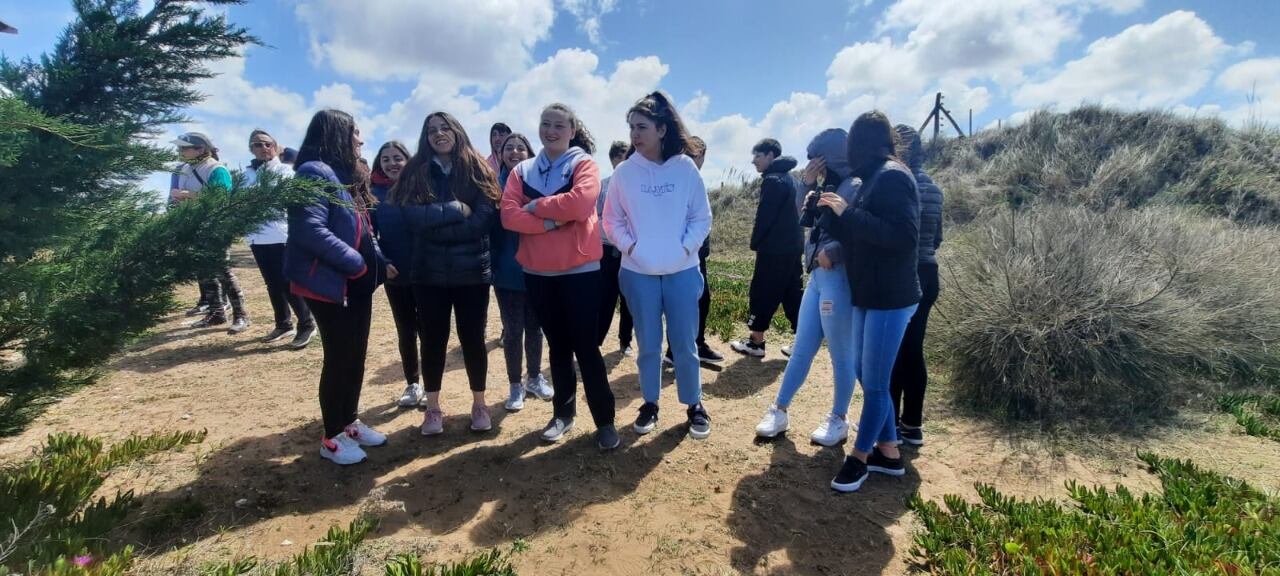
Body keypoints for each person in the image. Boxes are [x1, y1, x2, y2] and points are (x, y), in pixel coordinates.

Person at [501, 102, 618, 450]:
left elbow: (581, 205)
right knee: (558, 347)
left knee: (586, 347)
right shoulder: (522, 170)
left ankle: (605, 421)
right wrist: (555, 220)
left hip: (580, 271)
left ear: (572, 130)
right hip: (538, 272)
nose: (550, 130)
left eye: (558, 125)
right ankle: (563, 415)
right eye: (545, 123)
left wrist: (535, 207)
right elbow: (508, 216)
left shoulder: (584, 164)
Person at [603, 91, 714, 440]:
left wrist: (685, 247)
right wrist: (631, 246)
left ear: (662, 129)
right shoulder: (624, 173)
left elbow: (702, 216)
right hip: (638, 272)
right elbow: (611, 220)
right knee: (648, 343)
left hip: (682, 270)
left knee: (684, 343)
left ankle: (694, 403)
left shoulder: (684, 169)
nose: (635, 134)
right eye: (632, 127)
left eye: (642, 127)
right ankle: (650, 402)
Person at [821, 111, 921, 493]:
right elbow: (859, 231)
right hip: (871, 293)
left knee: (876, 384)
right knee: (868, 376)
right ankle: (890, 453)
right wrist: (832, 215)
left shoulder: (893, 177)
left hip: (889, 297)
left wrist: (849, 213)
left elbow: (903, 237)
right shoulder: (874, 176)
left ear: (860, 143)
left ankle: (860, 459)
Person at [284, 109, 390, 466]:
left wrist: (378, 260)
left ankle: (349, 423)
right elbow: (310, 231)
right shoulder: (312, 172)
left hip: (355, 286)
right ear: (335, 135)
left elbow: (361, 227)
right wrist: (357, 263)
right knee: (339, 358)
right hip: (331, 286)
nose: (360, 140)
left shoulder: (342, 176)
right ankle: (331, 437)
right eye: (354, 133)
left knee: (355, 355)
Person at [392, 112, 500, 436]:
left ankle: (479, 404)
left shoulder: (478, 167)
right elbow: (412, 217)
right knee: (433, 341)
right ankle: (433, 409)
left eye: (444, 128)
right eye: (431, 131)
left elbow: (483, 219)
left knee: (473, 340)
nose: (438, 134)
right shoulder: (416, 171)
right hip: (428, 274)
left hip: (472, 274)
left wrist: (437, 227)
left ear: (457, 131)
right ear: (425, 138)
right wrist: (454, 210)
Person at [755, 128, 858, 446]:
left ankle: (839, 418)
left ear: (832, 156)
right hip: (817, 278)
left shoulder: (854, 186)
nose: (813, 162)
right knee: (801, 348)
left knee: (842, 354)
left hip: (839, 279)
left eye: (817, 157)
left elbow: (860, 230)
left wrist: (836, 252)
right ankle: (780, 409)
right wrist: (808, 184)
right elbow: (805, 216)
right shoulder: (827, 183)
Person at [492, 132, 554, 411]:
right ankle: (515, 384)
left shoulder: (540, 185)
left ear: (530, 152)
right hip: (506, 270)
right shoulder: (493, 187)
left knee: (536, 328)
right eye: (509, 148)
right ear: (501, 153)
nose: (515, 152)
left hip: (537, 268)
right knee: (514, 331)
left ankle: (534, 377)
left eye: (521, 147)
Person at [890, 124, 943, 447]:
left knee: (894, 351)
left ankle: (889, 423)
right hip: (928, 272)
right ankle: (913, 423)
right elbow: (937, 238)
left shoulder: (897, 184)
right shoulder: (934, 187)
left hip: (903, 274)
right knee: (914, 349)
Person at [170, 132, 251, 334]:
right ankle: (216, 312)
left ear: (200, 149)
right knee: (204, 271)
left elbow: (221, 198)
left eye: (184, 148)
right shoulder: (184, 169)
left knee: (222, 270)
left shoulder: (216, 169)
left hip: (215, 227)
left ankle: (241, 315)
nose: (180, 151)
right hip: (193, 226)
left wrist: (190, 196)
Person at [729, 138, 803, 358]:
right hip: (793, 247)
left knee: (762, 291)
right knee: (792, 293)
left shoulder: (772, 180)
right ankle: (803, 343)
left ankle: (756, 342)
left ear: (771, 155)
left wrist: (755, 242)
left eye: (758, 156)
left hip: (773, 249)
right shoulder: (792, 179)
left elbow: (764, 217)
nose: (754, 161)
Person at [243, 129, 315, 348]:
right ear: (251, 149)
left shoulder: (285, 172)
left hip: (281, 236)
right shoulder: (246, 175)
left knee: (288, 283)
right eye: (257, 144)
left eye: (268, 144)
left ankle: (306, 324)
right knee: (271, 284)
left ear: (275, 147)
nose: (263, 148)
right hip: (257, 237)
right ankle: (283, 323)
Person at [371, 140, 423, 407]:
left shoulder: (422, 186)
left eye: (397, 158)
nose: (392, 163)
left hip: (426, 271)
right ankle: (413, 383)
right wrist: (382, 260)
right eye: (386, 159)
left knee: (430, 330)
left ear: (408, 159)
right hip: (395, 273)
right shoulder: (372, 194)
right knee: (406, 330)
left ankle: (432, 384)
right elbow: (369, 234)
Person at [663, 136, 723, 366]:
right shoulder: (676, 181)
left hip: (698, 254)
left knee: (702, 300)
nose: (693, 159)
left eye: (697, 155)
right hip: (680, 255)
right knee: (678, 302)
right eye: (689, 154)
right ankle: (672, 351)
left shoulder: (696, 181)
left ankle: (697, 343)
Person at [596, 140, 636, 355]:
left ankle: (625, 341)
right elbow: (597, 217)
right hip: (607, 251)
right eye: (620, 156)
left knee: (628, 299)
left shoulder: (638, 186)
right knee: (605, 299)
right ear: (612, 159)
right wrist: (618, 229)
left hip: (629, 253)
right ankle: (596, 342)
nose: (624, 160)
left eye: (628, 156)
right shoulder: (602, 185)